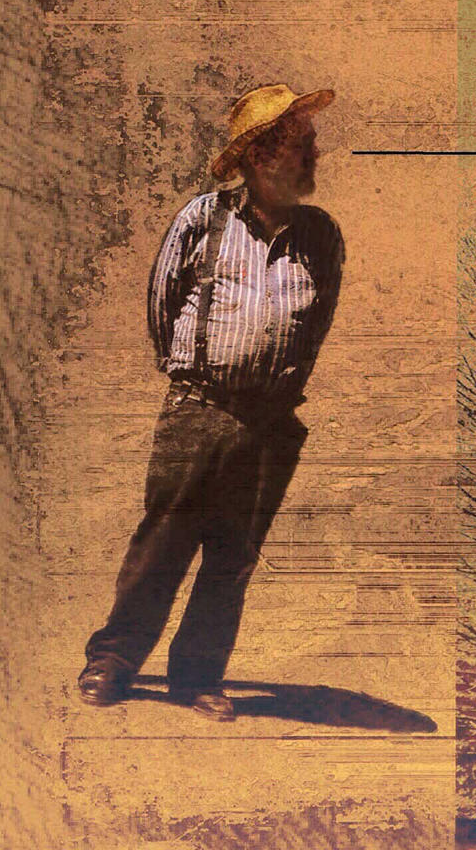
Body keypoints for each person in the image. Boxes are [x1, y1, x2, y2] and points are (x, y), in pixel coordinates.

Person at [76, 83, 345, 721]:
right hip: (198, 410)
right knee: (162, 543)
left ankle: (196, 677)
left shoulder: (321, 234)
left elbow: (318, 322)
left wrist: (273, 388)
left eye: (309, 142)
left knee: (233, 556)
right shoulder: (203, 220)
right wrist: (202, 382)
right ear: (257, 155)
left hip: (271, 423)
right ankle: (111, 662)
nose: (313, 153)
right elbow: (162, 309)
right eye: (298, 143)